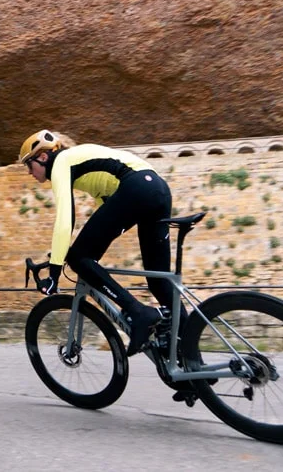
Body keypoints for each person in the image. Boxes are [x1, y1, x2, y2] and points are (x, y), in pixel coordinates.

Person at [18, 129, 180, 357]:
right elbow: (103, 215)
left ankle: (138, 312)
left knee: (77, 257)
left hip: (136, 187)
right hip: (157, 189)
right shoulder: (88, 170)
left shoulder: (62, 162)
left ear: (43, 157)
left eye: (29, 165)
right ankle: (190, 360)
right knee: (159, 281)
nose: (29, 172)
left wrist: (55, 273)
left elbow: (66, 220)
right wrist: (89, 259)